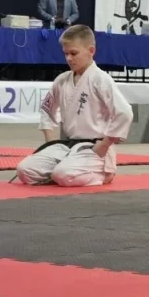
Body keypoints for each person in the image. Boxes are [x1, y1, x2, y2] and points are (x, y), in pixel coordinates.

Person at [15, 25, 133, 187]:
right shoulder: (62, 80)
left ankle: (103, 174)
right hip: (67, 145)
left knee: (63, 174)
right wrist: (52, 142)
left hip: (94, 147)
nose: (69, 58)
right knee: (25, 170)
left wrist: (105, 145)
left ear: (91, 51)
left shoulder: (100, 79)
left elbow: (125, 113)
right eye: (66, 54)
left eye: (73, 53)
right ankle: (65, 172)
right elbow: (47, 110)